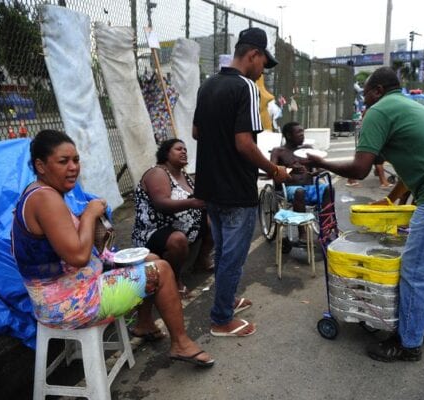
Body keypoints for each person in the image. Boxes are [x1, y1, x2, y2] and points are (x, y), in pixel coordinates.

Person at [303, 67, 424, 362]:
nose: (364, 102)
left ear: (377, 90)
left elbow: (360, 168)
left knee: (415, 271)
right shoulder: (406, 106)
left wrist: (321, 162)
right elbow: (411, 163)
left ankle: (408, 343)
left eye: (366, 94)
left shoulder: (380, 110)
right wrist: (390, 198)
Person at [11, 130, 214, 367]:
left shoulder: (41, 193)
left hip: (70, 289)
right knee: (162, 271)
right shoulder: (45, 198)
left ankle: (144, 324)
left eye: (76, 160)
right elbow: (77, 256)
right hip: (67, 304)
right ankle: (180, 343)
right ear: (40, 165)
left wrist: (88, 222)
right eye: (63, 161)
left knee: (149, 258)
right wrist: (88, 215)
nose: (73, 167)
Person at [192, 27, 290, 338]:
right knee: (233, 257)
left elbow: (196, 132)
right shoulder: (246, 87)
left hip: (211, 186)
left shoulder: (207, 86)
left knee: (223, 251)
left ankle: (228, 301)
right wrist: (274, 170)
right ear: (253, 55)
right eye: (263, 63)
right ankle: (221, 319)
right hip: (235, 188)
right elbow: (245, 144)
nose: (263, 70)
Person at [132, 139, 214, 298]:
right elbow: (161, 203)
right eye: (178, 149)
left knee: (216, 222)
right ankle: (174, 280)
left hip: (182, 226)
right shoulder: (158, 172)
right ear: (166, 153)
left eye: (185, 149)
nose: (183, 151)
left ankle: (201, 260)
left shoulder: (183, 174)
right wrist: (192, 203)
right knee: (178, 240)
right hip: (154, 230)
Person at [270, 121, 331, 240]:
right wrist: (289, 169)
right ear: (288, 135)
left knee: (328, 188)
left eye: (302, 132)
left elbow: (320, 168)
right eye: (298, 132)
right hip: (289, 188)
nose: (302, 135)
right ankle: (302, 232)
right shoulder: (278, 151)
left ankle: (326, 227)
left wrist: (314, 173)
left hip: (309, 187)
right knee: (299, 191)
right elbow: (272, 170)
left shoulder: (308, 149)